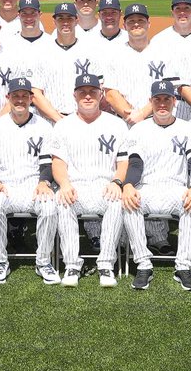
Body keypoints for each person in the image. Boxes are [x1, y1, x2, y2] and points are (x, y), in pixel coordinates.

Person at [48, 74, 134, 287]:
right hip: (75, 184)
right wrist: (65, 184)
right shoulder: (63, 125)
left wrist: (116, 182)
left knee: (116, 201)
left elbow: (124, 163)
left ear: (101, 94)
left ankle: (106, 264)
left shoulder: (117, 124)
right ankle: (71, 265)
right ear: (74, 95)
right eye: (82, 92)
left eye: (92, 92)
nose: (87, 96)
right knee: (63, 199)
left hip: (105, 184)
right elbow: (58, 163)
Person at [125, 80, 191, 291]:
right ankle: (143, 265)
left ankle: (183, 267)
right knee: (128, 203)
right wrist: (128, 185)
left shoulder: (189, 128)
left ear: (175, 101)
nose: (162, 103)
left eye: (167, 99)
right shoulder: (139, 129)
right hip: (148, 186)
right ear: (151, 102)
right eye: (157, 99)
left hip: (176, 187)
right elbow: (135, 164)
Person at [0, 77, 58, 284]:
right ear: (8, 98)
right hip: (5, 184)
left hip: (33, 184)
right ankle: (0, 262)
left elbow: (47, 163)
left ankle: (43, 262)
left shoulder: (44, 127)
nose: (20, 100)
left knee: (50, 208)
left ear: (32, 99)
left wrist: (44, 182)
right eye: (16, 96)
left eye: (25, 96)